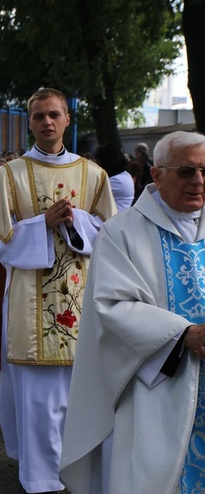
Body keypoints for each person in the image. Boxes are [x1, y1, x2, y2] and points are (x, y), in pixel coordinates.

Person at [0, 87, 116, 493]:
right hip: (28, 302)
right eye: (38, 116)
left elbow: (111, 237)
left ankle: (80, 470)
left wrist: (76, 223)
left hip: (80, 299)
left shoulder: (93, 175)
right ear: (29, 122)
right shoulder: (9, 175)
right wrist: (42, 223)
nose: (46, 122)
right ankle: (41, 479)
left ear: (67, 119)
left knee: (81, 393)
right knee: (38, 400)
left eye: (54, 114)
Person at [59, 131, 205, 493]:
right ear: (157, 175)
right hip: (157, 385)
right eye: (187, 171)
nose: (199, 181)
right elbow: (112, 305)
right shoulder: (121, 232)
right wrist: (183, 334)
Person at [94, 142, 134, 212]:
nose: (97, 165)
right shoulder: (125, 176)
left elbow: (92, 194)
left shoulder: (118, 181)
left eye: (98, 161)